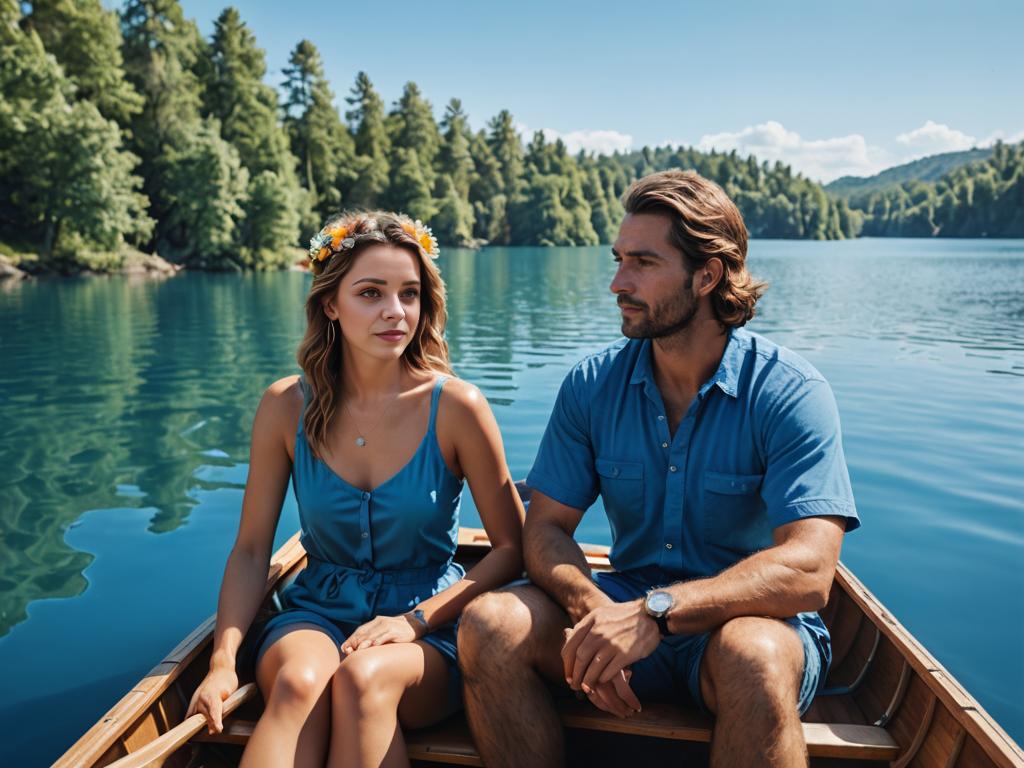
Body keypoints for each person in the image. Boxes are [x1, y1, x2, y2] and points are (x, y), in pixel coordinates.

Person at [458, 170, 859, 768]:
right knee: (489, 624)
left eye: (643, 262)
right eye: (619, 260)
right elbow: (544, 530)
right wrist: (595, 612)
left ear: (707, 275)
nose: (618, 283)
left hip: (744, 624)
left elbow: (809, 572)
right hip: (620, 602)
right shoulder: (593, 385)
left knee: (754, 656)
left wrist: (656, 614)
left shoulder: (789, 392)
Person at [186, 211, 524, 768]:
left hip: (427, 624)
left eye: (409, 293)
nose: (396, 311)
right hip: (315, 611)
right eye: (371, 293)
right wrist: (223, 660)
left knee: (363, 681)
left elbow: (511, 550)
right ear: (330, 305)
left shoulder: (459, 407)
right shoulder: (284, 407)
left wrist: (413, 622)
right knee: (300, 684)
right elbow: (250, 551)